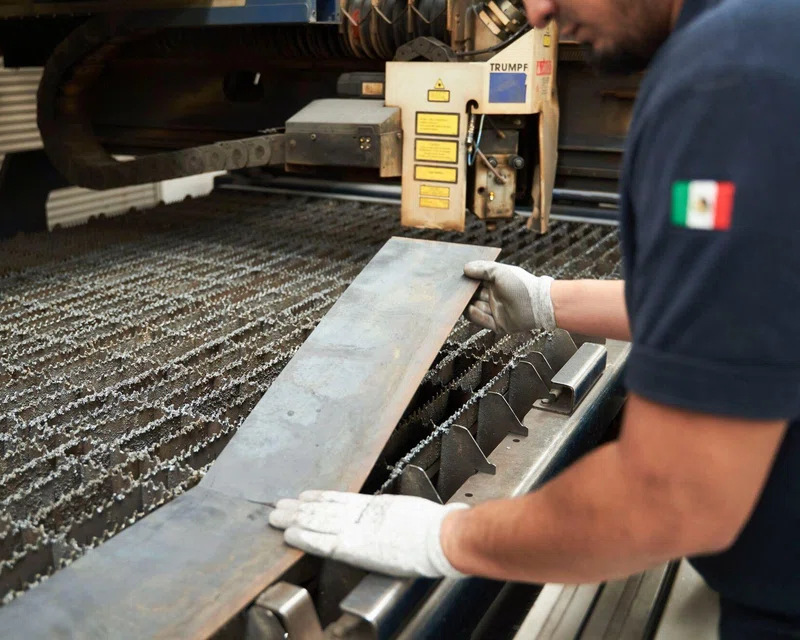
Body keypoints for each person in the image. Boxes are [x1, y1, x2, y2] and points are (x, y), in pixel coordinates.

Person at [269, 0, 800, 637]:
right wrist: (547, 301)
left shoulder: (729, 76)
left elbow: (671, 498)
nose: (538, 11)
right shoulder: (771, 35)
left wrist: (452, 536)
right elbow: (746, 306)